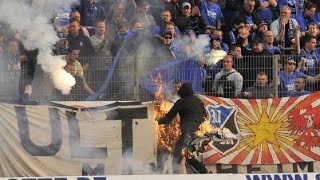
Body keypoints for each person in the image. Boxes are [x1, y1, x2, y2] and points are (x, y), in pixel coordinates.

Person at [157, 82, 206, 174]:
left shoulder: (181, 102)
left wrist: (157, 121)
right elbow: (205, 116)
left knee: (178, 156)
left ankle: (179, 176)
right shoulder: (198, 101)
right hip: (200, 135)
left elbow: (168, 118)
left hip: (188, 135)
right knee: (188, 156)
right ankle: (204, 172)